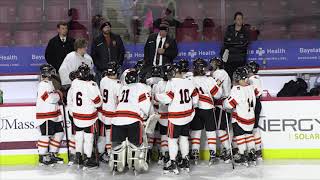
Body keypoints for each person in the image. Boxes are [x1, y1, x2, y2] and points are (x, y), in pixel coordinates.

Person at [155, 63, 198, 174]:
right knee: (184, 138)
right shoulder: (189, 82)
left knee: (172, 140)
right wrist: (192, 106)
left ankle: (173, 162)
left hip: (175, 117)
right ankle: (185, 160)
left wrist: (156, 96)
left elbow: (168, 99)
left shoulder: (171, 82)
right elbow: (196, 98)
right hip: (188, 116)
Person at [67, 64, 102, 169]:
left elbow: (71, 98)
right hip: (88, 117)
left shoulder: (74, 82)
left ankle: (78, 157)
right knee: (88, 138)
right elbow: (98, 102)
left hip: (76, 115)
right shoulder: (91, 85)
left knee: (78, 136)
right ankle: (87, 158)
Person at [190, 58, 223, 165]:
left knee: (196, 132)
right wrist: (218, 85)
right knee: (211, 132)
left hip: (195, 109)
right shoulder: (209, 80)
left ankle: (195, 154)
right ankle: (212, 155)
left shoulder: (190, 79)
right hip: (208, 109)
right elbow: (217, 95)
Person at [223, 67, 257, 166]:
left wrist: (224, 102)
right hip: (250, 117)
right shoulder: (250, 87)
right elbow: (254, 103)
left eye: (237, 78)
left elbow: (229, 104)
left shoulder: (236, 89)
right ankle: (252, 153)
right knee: (249, 135)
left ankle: (242, 155)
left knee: (240, 136)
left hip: (240, 118)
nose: (236, 80)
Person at [36, 64, 64, 166]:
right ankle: (42, 157)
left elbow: (52, 96)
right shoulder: (43, 85)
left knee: (59, 133)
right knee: (46, 135)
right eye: (51, 71)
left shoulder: (49, 83)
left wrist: (56, 94)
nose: (53, 73)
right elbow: (50, 98)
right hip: (46, 115)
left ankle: (52, 153)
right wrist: (59, 94)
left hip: (54, 115)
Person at [98, 61, 122, 163]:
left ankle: (103, 152)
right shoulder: (118, 84)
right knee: (110, 134)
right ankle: (109, 153)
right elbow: (119, 100)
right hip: (113, 113)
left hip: (103, 112)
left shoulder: (103, 80)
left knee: (104, 134)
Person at [210, 57, 232, 163]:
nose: (211, 65)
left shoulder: (219, 73)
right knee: (221, 128)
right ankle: (226, 149)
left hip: (221, 104)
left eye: (213, 63)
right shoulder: (222, 72)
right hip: (224, 103)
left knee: (220, 129)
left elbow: (215, 89)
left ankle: (228, 150)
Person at [220, 12, 250, 79]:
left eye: (241, 19)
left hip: (240, 60)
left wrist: (231, 45)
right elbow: (226, 43)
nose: (240, 20)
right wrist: (237, 43)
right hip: (229, 61)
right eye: (238, 19)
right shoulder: (229, 29)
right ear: (234, 20)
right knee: (229, 79)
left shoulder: (246, 30)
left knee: (240, 79)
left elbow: (244, 45)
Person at [246, 61, 263, 160]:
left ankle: (254, 150)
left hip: (253, 104)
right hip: (256, 103)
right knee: (254, 128)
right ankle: (257, 150)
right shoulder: (257, 78)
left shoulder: (252, 79)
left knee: (251, 128)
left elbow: (253, 93)